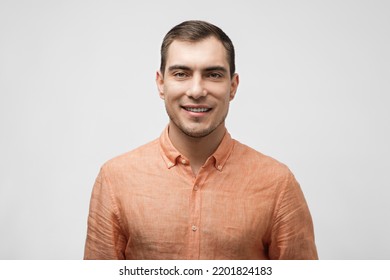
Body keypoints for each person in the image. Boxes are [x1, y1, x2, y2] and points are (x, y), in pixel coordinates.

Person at [84, 20, 318, 260]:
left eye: (213, 74)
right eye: (181, 74)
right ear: (161, 84)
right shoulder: (115, 179)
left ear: (233, 86)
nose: (196, 91)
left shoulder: (277, 184)